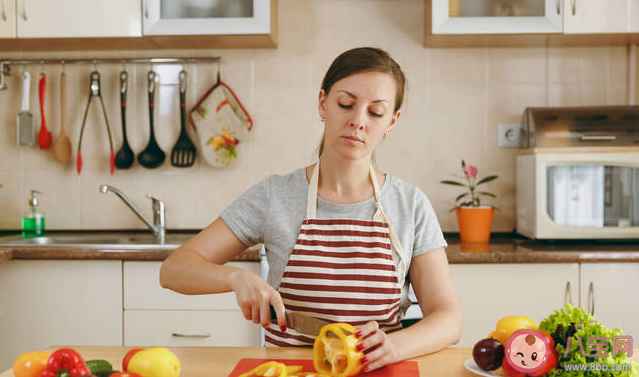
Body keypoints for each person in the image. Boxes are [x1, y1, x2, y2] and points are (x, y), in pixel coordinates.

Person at [160, 46, 462, 371]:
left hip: (377, 370)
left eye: (375, 112)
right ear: (323, 103)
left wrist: (396, 345)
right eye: (346, 104)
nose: (358, 121)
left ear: (392, 122)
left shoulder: (410, 204)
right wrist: (233, 277)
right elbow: (174, 270)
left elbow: (449, 318)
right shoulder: (275, 195)